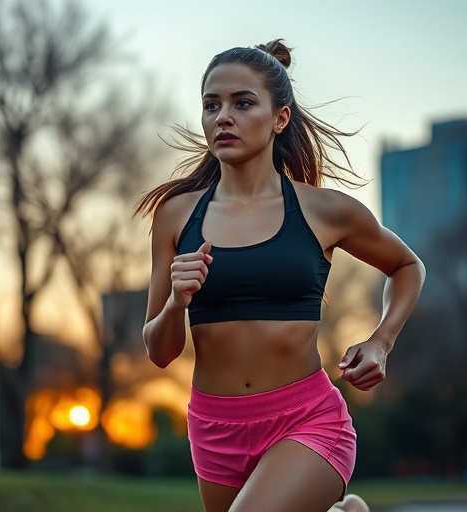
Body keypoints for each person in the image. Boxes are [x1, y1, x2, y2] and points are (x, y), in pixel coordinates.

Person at [136, 39, 425, 512]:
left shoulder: (323, 210)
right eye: (211, 105)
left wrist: (381, 341)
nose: (222, 117)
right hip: (214, 427)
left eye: (242, 103)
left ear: (280, 118)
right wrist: (176, 303)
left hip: (306, 419)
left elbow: (407, 265)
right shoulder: (176, 216)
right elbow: (159, 351)